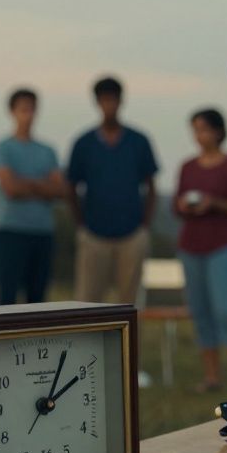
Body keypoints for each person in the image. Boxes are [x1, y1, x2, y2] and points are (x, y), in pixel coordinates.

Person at [173, 108, 227, 394]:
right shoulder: (188, 167)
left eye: (205, 129)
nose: (200, 135)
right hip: (191, 246)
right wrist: (184, 205)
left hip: (225, 247)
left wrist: (214, 203)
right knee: (201, 312)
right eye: (196, 129)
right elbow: (175, 206)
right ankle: (212, 378)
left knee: (226, 311)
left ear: (219, 131)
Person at [66, 76, 159, 303]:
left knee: (130, 303)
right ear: (97, 102)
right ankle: (87, 339)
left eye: (113, 100)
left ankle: (129, 340)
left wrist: (144, 226)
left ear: (121, 101)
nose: (109, 106)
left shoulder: (138, 141)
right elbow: (70, 187)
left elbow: (151, 186)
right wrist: (81, 226)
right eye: (104, 100)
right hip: (94, 234)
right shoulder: (84, 143)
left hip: (131, 233)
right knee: (87, 301)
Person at [0, 88, 67, 304]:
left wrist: (25, 183)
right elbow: (10, 189)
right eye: (24, 109)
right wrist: (41, 185)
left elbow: (60, 190)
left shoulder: (47, 150)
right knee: (7, 296)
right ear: (12, 112)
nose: (29, 115)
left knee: (38, 298)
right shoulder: (2, 148)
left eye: (32, 109)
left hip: (42, 232)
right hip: (11, 230)